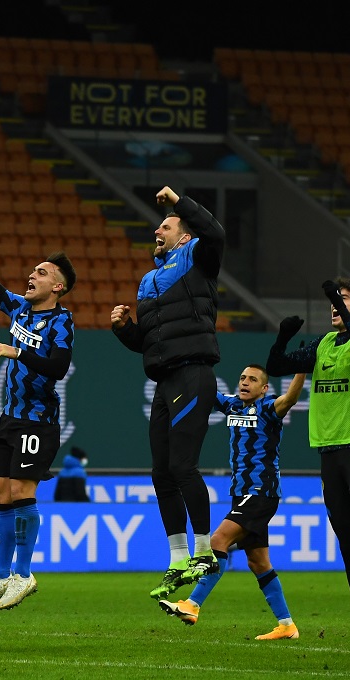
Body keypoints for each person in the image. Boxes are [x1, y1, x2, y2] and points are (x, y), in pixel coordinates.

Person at [266, 278, 350, 667]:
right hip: (329, 450)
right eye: (333, 300)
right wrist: (283, 336)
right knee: (347, 545)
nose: (334, 306)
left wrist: (339, 308)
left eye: (343, 300)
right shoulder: (324, 344)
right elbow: (277, 365)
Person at [110, 186, 225, 599]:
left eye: (166, 226)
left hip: (194, 373)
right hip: (164, 380)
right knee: (162, 472)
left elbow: (216, 233)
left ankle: (204, 552)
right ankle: (178, 559)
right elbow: (150, 343)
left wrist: (180, 202)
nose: (157, 231)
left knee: (182, 466)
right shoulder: (148, 281)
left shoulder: (199, 257)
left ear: (185, 235)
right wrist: (125, 330)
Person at [0, 217, 76, 611]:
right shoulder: (19, 309)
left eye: (42, 273)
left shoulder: (61, 321)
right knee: (1, 491)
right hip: (9, 419)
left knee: (23, 492)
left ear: (57, 287)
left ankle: (23, 574)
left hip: (38, 420)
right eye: (33, 271)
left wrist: (17, 351)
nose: (32, 276)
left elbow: (58, 366)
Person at [160, 366, 305, 641]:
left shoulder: (268, 408)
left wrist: (301, 368)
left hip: (261, 492)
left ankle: (192, 604)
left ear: (264, 388)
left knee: (218, 540)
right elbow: (205, 392)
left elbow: (290, 399)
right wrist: (181, 369)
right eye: (242, 378)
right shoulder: (233, 405)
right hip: (241, 493)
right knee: (258, 562)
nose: (245, 382)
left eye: (253, 380)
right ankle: (287, 625)